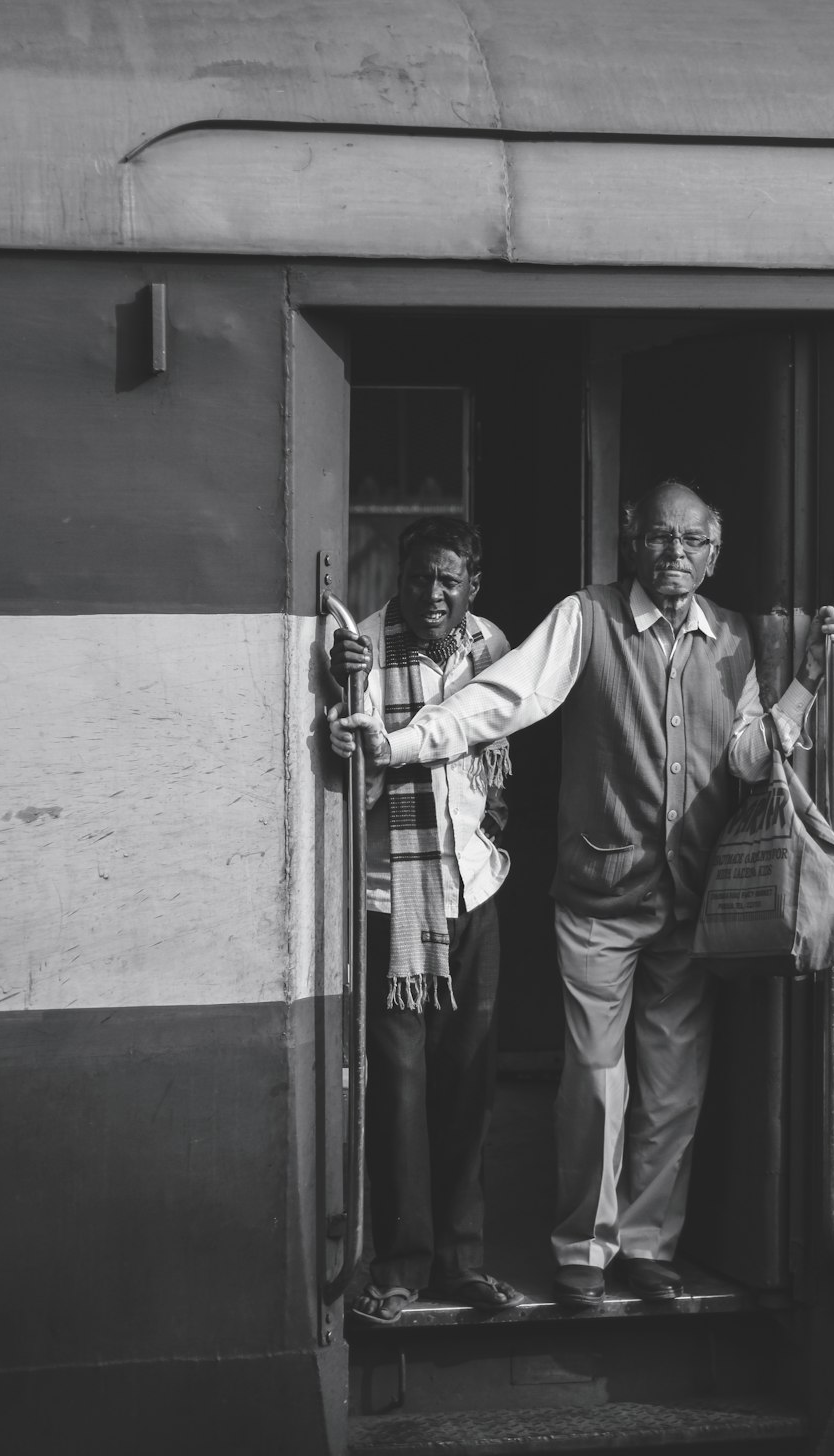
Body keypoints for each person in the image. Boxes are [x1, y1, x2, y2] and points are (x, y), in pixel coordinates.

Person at [330, 481, 834, 1311]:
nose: (674, 553)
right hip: (599, 897)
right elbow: (503, 700)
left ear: (713, 554)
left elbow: (755, 757)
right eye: (658, 537)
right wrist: (401, 742)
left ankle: (649, 1247)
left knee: (675, 1086)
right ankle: (584, 1248)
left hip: (691, 903)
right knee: (593, 1078)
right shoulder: (586, 617)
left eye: (692, 541)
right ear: (630, 542)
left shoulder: (730, 640)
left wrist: (812, 679)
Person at [330, 515, 523, 1325]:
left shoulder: (493, 644)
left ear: (472, 583)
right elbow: (354, 779)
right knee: (403, 1089)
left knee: (469, 1080)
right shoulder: (363, 652)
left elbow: (498, 751)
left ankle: (463, 1263)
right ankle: (402, 1267)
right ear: (399, 579)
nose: (433, 594)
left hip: (475, 890)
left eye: (450, 580)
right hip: (395, 905)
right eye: (419, 579)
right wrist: (356, 726)